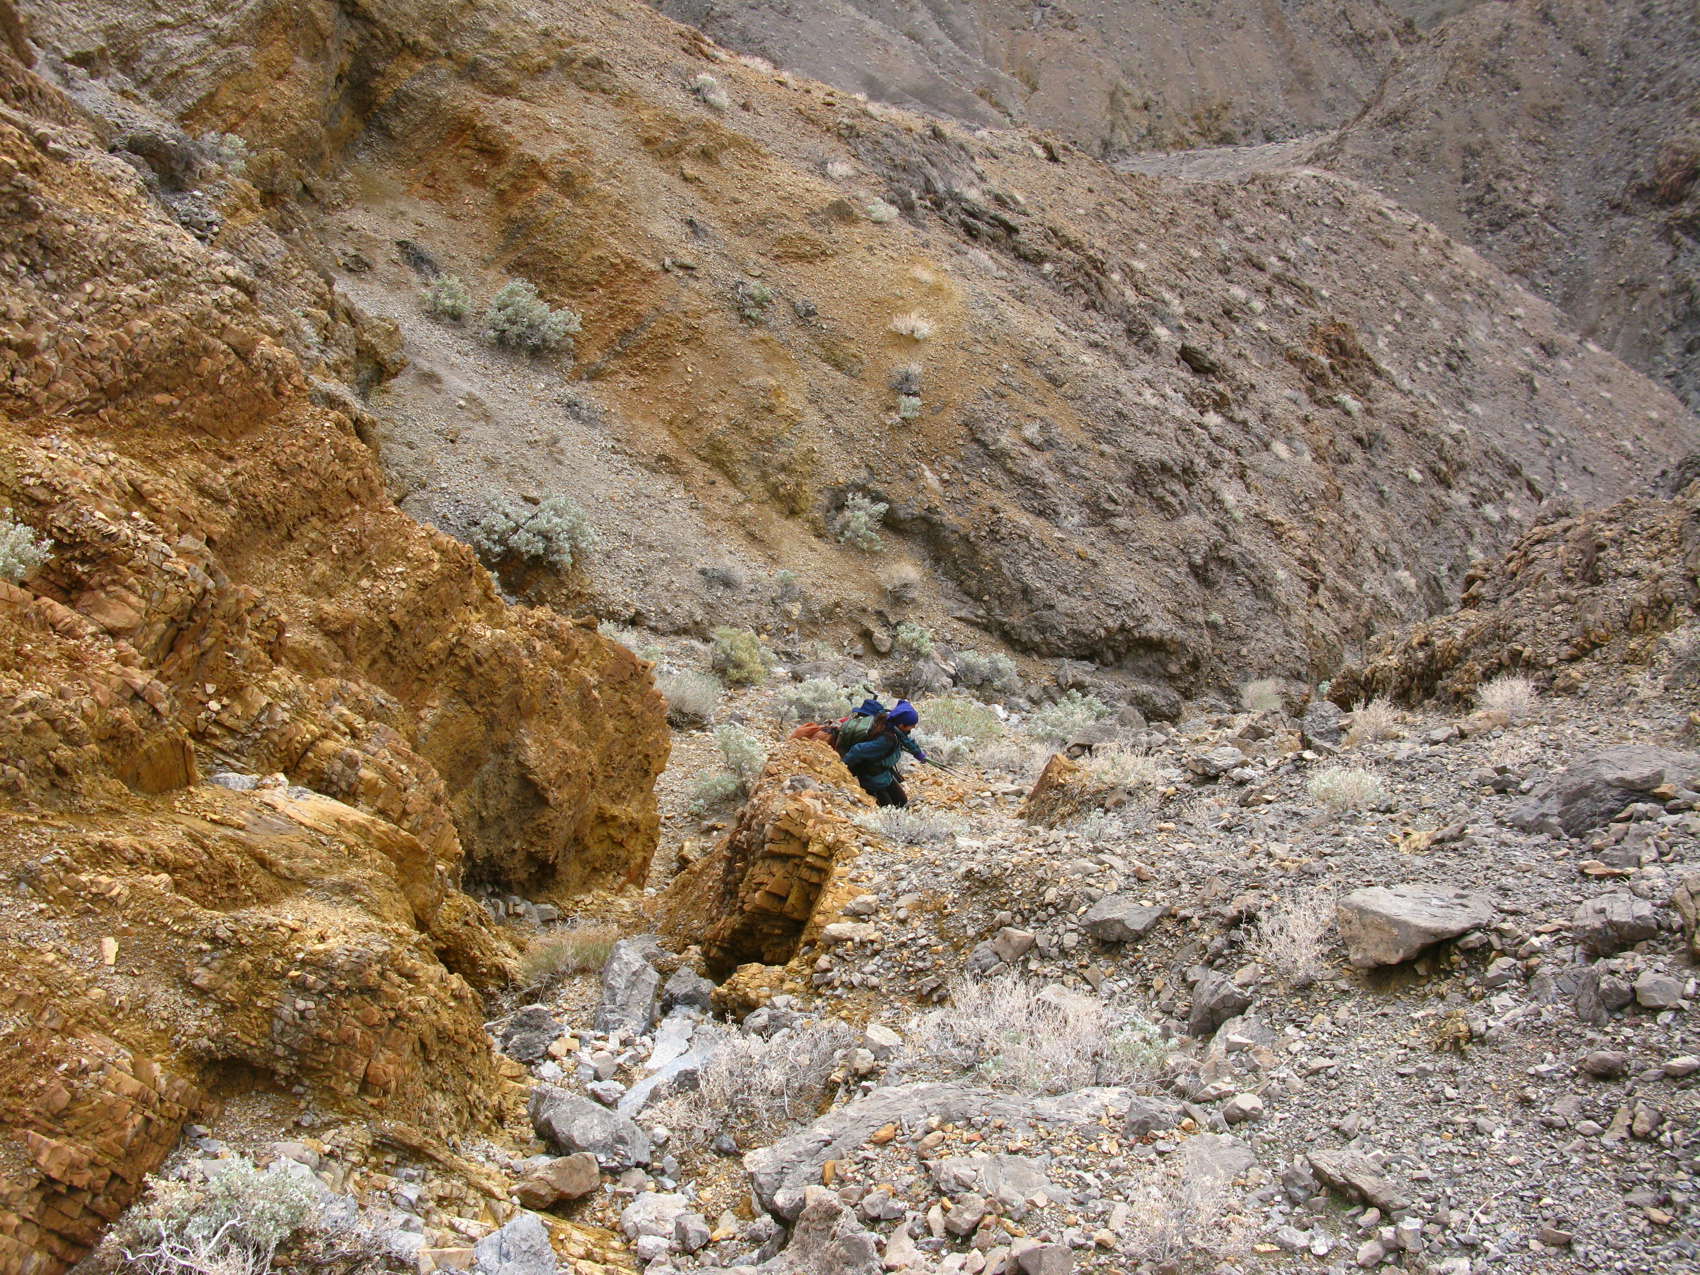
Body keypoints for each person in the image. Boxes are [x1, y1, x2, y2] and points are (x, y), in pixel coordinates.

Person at [840, 698, 927, 807]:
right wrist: (842, 767)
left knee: (901, 801)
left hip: (884, 775)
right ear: (901, 725)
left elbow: (905, 740)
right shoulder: (886, 740)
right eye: (912, 724)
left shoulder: (894, 728)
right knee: (888, 808)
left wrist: (917, 753)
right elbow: (858, 750)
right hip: (872, 778)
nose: (914, 727)